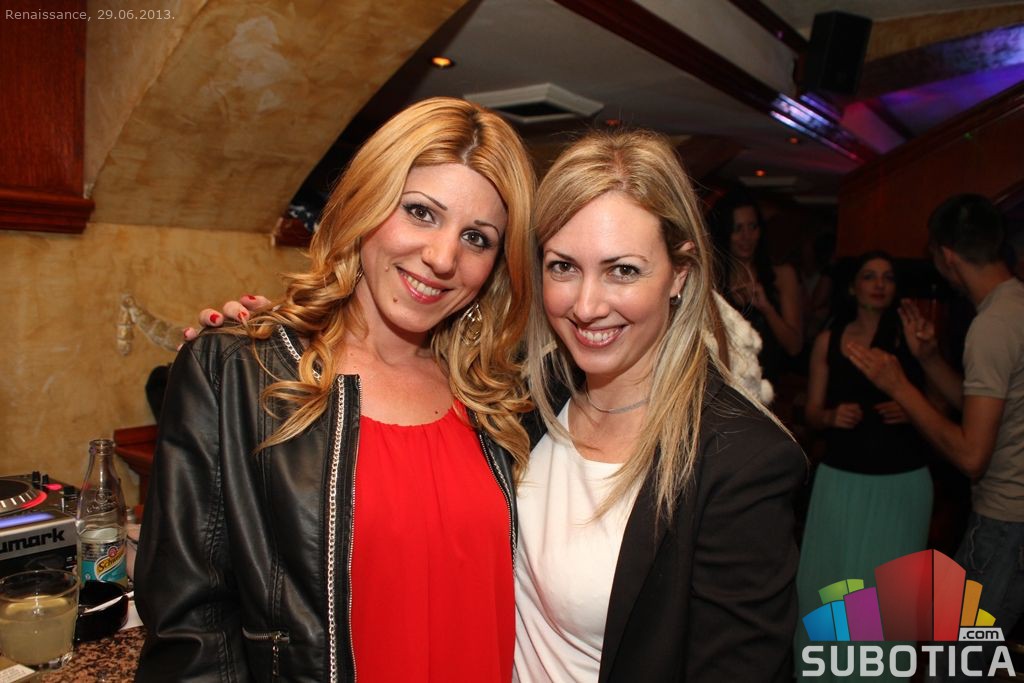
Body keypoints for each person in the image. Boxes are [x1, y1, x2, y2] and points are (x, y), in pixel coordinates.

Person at [134, 97, 537, 682]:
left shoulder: (499, 396)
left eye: (477, 238)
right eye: (420, 212)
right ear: (365, 204)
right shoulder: (244, 371)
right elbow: (190, 627)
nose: (443, 257)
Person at [516, 129, 806, 681]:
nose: (586, 305)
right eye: (563, 266)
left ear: (680, 274)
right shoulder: (530, 395)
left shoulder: (741, 460)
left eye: (622, 270)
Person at [846, 194, 1024, 675]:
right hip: (1011, 521)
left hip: (1005, 524)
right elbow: (986, 410)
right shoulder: (1014, 306)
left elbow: (971, 455)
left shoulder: (992, 326)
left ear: (947, 256)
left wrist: (900, 386)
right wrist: (927, 361)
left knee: (952, 666)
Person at [794, 251, 935, 680]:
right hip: (841, 478)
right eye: (869, 276)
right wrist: (830, 416)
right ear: (853, 287)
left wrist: (913, 408)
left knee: (888, 594)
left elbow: (948, 404)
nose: (879, 284)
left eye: (887, 277)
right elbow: (811, 412)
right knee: (830, 585)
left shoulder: (912, 338)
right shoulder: (830, 339)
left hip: (901, 481)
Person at [711, 190, 803, 384]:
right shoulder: (713, 280)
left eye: (752, 227)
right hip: (727, 388)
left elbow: (794, 347)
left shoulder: (782, 276)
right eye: (737, 229)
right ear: (725, 233)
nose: (747, 236)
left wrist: (767, 309)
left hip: (769, 387)